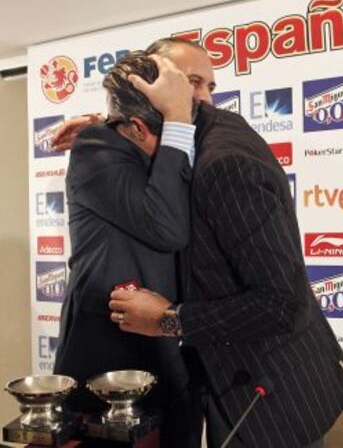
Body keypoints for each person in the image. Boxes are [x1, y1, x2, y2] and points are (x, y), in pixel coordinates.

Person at [106, 41, 343, 448]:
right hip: (231, 377)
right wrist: (98, 127)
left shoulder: (225, 164)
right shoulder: (205, 126)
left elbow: (283, 303)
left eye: (201, 84)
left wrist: (170, 318)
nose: (203, 94)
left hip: (272, 394)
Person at [53, 50, 200, 448]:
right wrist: (176, 123)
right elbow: (167, 228)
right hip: (109, 363)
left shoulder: (175, 138)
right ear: (136, 125)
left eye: (204, 86)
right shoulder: (95, 147)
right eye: (190, 87)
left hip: (170, 354)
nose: (199, 99)